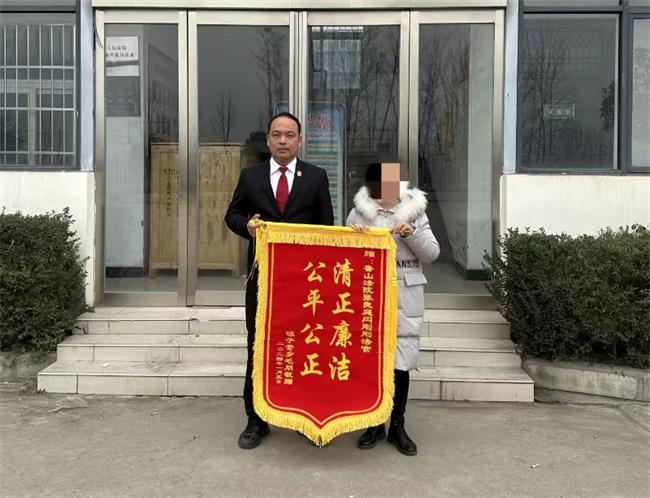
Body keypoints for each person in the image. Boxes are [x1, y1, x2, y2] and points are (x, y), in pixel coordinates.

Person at [225, 112, 334, 450]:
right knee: (258, 345)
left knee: (303, 346)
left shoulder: (316, 177)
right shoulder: (251, 176)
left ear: (300, 140)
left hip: (304, 283)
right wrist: (247, 226)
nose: (283, 140)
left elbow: (326, 229)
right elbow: (232, 214)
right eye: (276, 134)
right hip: (263, 279)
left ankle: (302, 416)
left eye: (289, 135)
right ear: (268, 139)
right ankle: (256, 419)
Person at [347, 162, 440, 456]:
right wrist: (354, 239)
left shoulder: (415, 212)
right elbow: (344, 259)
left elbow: (432, 253)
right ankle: (374, 423)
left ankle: (397, 425)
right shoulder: (359, 213)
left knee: (400, 363)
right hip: (369, 294)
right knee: (370, 360)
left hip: (405, 295)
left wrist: (411, 232)